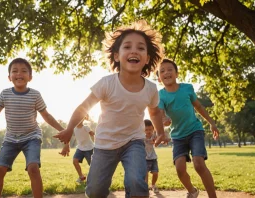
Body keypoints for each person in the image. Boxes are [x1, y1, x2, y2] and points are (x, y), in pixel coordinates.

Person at [54, 20, 169, 198]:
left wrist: (160, 132)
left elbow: (153, 112)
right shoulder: (106, 84)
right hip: (104, 144)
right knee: (95, 191)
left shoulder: (151, 89)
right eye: (127, 46)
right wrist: (69, 129)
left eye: (140, 48)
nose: (134, 51)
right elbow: (83, 108)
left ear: (146, 58)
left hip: (134, 142)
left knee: (137, 183)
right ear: (116, 56)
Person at [0, 58, 64, 198]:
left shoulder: (35, 95)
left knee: (33, 168)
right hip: (11, 138)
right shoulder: (5, 94)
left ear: (30, 77)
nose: (19, 74)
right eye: (15, 71)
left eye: (24, 71)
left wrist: (62, 130)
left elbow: (46, 116)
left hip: (32, 137)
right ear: (9, 77)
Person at [157, 58, 220, 198]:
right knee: (180, 169)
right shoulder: (160, 95)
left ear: (177, 73)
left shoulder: (187, 88)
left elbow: (198, 106)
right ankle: (192, 191)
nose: (166, 73)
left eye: (169, 70)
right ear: (159, 78)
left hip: (195, 130)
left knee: (198, 163)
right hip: (177, 136)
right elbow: (160, 114)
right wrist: (164, 121)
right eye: (162, 71)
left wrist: (211, 122)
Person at [59, 114, 95, 183]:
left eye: (80, 119)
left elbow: (92, 134)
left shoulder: (86, 127)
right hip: (80, 148)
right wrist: (66, 145)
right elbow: (68, 137)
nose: (78, 121)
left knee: (92, 165)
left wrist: (95, 144)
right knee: (75, 161)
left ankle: (95, 178)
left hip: (89, 148)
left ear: (83, 120)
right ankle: (81, 177)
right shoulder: (74, 129)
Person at [143, 119, 159, 193]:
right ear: (143, 130)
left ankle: (153, 185)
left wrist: (157, 140)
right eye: (146, 130)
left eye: (150, 129)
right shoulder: (142, 137)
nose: (148, 131)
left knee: (155, 173)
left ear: (153, 129)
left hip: (153, 158)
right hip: (144, 158)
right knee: (145, 174)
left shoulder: (154, 135)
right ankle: (145, 187)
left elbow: (159, 137)